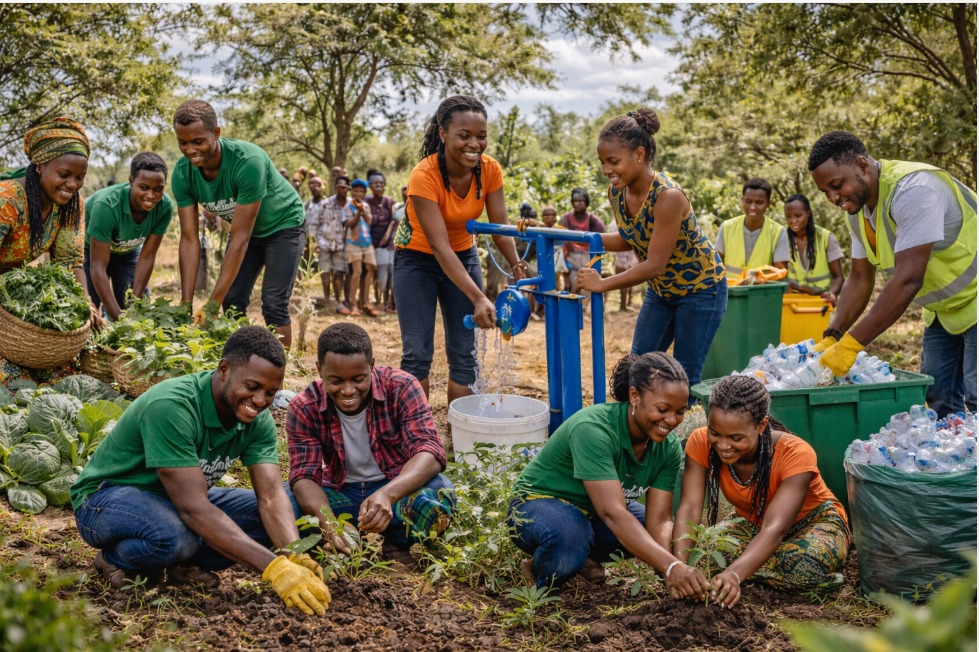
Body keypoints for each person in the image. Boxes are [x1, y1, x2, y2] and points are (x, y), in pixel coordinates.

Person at [70, 326, 332, 616]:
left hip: (176, 500)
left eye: (271, 392)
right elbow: (194, 509)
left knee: (290, 509)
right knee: (177, 535)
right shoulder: (173, 406)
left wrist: (291, 551)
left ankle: (183, 565)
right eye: (252, 387)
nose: (260, 401)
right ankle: (115, 559)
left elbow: (270, 496)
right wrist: (274, 568)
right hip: (105, 499)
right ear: (223, 369)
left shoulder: (257, 420)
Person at [507, 352, 708, 597]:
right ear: (635, 396)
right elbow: (613, 512)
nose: (671, 420)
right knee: (570, 539)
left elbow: (659, 521)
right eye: (663, 409)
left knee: (645, 528)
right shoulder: (594, 429)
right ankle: (538, 568)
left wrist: (675, 570)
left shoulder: (667, 448)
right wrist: (671, 567)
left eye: (680, 412)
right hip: (535, 506)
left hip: (590, 513)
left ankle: (582, 556)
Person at [808, 130, 977, 416]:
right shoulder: (858, 211)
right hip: (941, 311)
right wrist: (834, 334)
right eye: (825, 192)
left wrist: (852, 344)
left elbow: (908, 279)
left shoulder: (914, 189)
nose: (833, 198)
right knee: (938, 401)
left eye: (836, 185)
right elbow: (860, 279)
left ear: (862, 165)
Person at [575, 108, 728, 393]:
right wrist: (580, 237)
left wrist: (602, 285)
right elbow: (629, 238)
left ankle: (683, 435)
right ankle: (637, 430)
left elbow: (655, 263)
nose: (607, 170)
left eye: (613, 161)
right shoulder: (617, 192)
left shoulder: (668, 196)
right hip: (662, 291)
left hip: (701, 289)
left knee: (684, 374)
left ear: (640, 155)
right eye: (602, 162)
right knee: (638, 366)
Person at [392, 95, 527, 406]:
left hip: (463, 256)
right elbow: (439, 247)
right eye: (464, 136)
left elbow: (500, 226)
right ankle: (415, 435)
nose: (474, 145)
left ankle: (461, 438)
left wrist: (517, 264)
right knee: (417, 355)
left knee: (464, 354)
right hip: (416, 261)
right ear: (443, 134)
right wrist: (478, 297)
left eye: (481, 136)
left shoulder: (489, 169)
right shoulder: (424, 176)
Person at [672, 375, 849, 608]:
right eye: (715, 433)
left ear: (761, 425)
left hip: (814, 522)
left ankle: (765, 569)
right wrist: (679, 568)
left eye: (736, 438)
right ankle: (765, 568)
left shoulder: (794, 452)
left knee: (803, 565)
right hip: (752, 522)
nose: (723, 446)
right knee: (705, 553)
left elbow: (775, 528)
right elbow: (690, 507)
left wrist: (734, 574)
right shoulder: (700, 442)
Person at [286, 323, 455, 566]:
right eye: (335, 380)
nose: (347, 390)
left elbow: (429, 451)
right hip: (341, 493)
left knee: (438, 496)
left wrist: (387, 494)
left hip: (396, 488)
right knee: (286, 506)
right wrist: (330, 524)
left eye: (358, 379)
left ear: (372, 366)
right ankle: (341, 539)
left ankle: (396, 540)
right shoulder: (304, 407)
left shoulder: (401, 387)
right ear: (319, 370)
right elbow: (304, 475)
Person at [171, 99, 306, 348]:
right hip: (247, 231)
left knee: (273, 302)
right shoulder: (182, 174)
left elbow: (240, 239)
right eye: (183, 142)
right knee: (232, 300)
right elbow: (189, 239)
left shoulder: (247, 161)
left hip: (284, 224)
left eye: (198, 141)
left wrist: (211, 303)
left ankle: (282, 370)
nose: (190, 150)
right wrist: (185, 303)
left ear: (216, 133)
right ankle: (247, 360)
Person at [0, 117, 101, 386]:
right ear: (40, 166)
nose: (72, 184)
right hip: (6, 307)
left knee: (63, 375)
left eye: (80, 177)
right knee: (14, 382)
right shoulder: (7, 200)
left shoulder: (70, 205)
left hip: (14, 298)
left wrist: (85, 304)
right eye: (64, 175)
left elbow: (70, 262)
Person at [84, 152, 173, 320]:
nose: (151, 195)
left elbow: (147, 256)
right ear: (131, 181)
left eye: (158, 189)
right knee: (89, 310)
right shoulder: (106, 205)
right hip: (89, 252)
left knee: (136, 309)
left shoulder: (164, 207)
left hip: (128, 253)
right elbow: (97, 267)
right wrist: (119, 317)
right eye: (144, 187)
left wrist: (134, 305)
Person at [715, 178, 790, 280]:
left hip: (761, 293)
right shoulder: (727, 227)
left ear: (768, 203)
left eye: (759, 202)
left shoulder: (778, 232)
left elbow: (780, 273)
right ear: (742, 201)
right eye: (748, 201)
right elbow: (714, 266)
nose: (753, 207)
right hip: (730, 292)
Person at [782, 193, 844, 305]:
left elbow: (838, 277)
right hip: (792, 303)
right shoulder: (782, 240)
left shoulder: (825, 237)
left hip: (820, 302)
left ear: (808, 214)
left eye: (798, 215)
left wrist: (832, 293)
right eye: (788, 216)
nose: (793, 220)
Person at [310, 175, 352, 314]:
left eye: (345, 187)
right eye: (339, 186)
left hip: (342, 245)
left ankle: (338, 301)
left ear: (348, 188)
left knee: (339, 273)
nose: (342, 189)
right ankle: (327, 300)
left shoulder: (351, 204)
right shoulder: (325, 203)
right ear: (335, 187)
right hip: (324, 243)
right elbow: (315, 223)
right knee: (325, 273)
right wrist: (313, 241)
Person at [343, 178, 378, 316]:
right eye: (356, 190)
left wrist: (363, 210)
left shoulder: (366, 205)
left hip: (367, 242)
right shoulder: (347, 207)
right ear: (352, 191)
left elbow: (369, 222)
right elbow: (349, 223)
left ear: (365, 193)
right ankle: (353, 304)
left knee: (371, 268)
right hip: (353, 243)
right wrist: (358, 212)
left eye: (361, 191)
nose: (358, 193)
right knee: (356, 272)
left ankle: (365, 302)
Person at [365, 171, 398, 313]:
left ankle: (386, 302)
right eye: (375, 183)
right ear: (370, 185)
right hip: (371, 244)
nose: (378, 185)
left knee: (389, 273)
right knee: (377, 274)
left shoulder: (390, 202)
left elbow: (395, 221)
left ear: (384, 185)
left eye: (381, 183)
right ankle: (378, 301)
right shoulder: (366, 202)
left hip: (388, 245)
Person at [561, 188, 606, 289]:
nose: (578, 203)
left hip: (588, 258)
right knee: (570, 288)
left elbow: (601, 241)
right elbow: (561, 241)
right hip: (570, 259)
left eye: (581, 201)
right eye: (576, 201)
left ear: (586, 202)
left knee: (587, 290)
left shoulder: (594, 221)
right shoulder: (566, 219)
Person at [608, 221, 639, 312]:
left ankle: (628, 302)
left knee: (632, 279)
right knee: (622, 281)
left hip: (632, 255)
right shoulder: (614, 224)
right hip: (620, 255)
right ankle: (623, 305)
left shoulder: (637, 221)